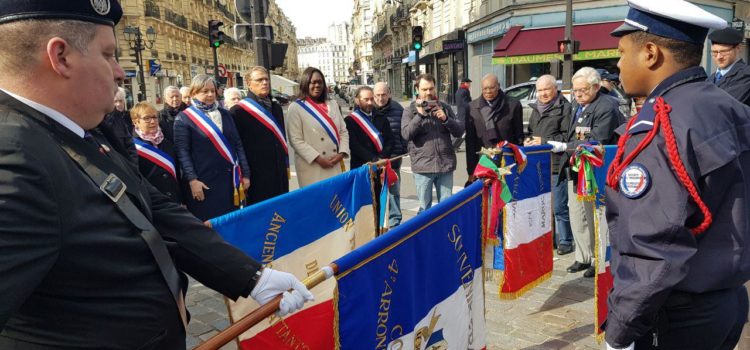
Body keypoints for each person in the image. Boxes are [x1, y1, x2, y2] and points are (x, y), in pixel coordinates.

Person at [0, 2, 311, 349]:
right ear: (61, 57)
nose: (119, 72)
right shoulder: (11, 154)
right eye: (108, 54)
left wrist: (254, 278)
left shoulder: (76, 131)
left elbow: (151, 209)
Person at [603, 1, 750, 348]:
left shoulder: (661, 126)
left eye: (623, 52)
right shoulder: (729, 106)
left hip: (676, 316)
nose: (618, 64)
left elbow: (654, 246)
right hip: (727, 302)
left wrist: (620, 333)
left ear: (651, 53)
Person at [548, 67, 622, 279]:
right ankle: (583, 256)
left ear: (597, 87)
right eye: (575, 90)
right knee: (577, 214)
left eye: (583, 90)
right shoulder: (576, 105)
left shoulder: (606, 107)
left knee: (593, 217)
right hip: (575, 169)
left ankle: (599, 259)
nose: (578, 94)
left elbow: (597, 140)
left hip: (594, 170)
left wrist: (564, 147)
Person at [174, 74, 251, 221]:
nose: (210, 95)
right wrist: (192, 180)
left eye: (212, 90)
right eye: (205, 91)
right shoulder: (183, 118)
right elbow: (182, 153)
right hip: (204, 182)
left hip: (230, 181)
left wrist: (246, 174)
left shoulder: (225, 114)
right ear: (194, 93)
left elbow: (237, 144)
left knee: (231, 223)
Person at [525, 74, 573, 255]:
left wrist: (543, 140)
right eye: (540, 90)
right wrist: (529, 141)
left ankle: (565, 241)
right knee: (543, 206)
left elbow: (567, 138)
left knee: (559, 206)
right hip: (539, 164)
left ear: (555, 89)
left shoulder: (565, 108)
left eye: (547, 89)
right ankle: (549, 240)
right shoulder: (536, 108)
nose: (543, 93)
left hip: (557, 163)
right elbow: (531, 132)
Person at [402, 74, 464, 212]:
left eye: (431, 89)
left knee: (447, 208)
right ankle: (424, 234)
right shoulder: (410, 110)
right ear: (417, 89)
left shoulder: (444, 107)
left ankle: (444, 233)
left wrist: (446, 119)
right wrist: (420, 115)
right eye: (424, 89)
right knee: (425, 209)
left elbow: (459, 132)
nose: (428, 93)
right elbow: (406, 134)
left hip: (445, 165)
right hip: (423, 168)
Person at [230, 66, 289, 204]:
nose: (265, 83)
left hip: (279, 172)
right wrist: (244, 175)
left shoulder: (276, 108)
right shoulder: (238, 111)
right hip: (257, 176)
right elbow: (237, 148)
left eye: (266, 79)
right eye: (259, 80)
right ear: (249, 84)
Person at [287, 67, 350, 187]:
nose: (317, 85)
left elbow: (343, 131)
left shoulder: (333, 104)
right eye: (313, 82)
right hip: (312, 167)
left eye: (320, 82)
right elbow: (295, 140)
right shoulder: (295, 108)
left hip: (334, 163)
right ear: (305, 84)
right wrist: (318, 159)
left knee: (335, 203)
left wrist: (341, 153)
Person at [465, 73, 523, 182]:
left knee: (506, 196)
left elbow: (519, 137)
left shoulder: (513, 105)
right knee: (485, 197)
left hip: (506, 161)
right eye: (485, 88)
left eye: (492, 88)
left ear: (498, 86)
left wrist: (517, 162)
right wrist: (471, 171)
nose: (488, 92)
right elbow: (470, 142)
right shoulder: (472, 107)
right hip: (482, 162)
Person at [131, 102, 181, 203]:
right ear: (136, 121)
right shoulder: (131, 146)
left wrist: (181, 200)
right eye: (147, 118)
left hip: (173, 201)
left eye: (155, 117)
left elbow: (177, 174)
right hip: (152, 203)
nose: (153, 121)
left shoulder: (167, 143)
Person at [374, 82, 405, 227]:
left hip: (393, 159)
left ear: (389, 94)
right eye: (377, 95)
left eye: (383, 94)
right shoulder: (368, 110)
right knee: (374, 194)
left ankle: (395, 223)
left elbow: (403, 133)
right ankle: (376, 223)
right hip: (373, 161)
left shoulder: (398, 109)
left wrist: (402, 150)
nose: (380, 98)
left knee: (394, 192)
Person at [345, 86, 393, 169]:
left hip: (381, 165)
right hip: (361, 166)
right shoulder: (350, 120)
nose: (370, 102)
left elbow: (390, 140)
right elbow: (354, 145)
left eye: (371, 99)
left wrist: (381, 158)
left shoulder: (381, 117)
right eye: (366, 99)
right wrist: (373, 159)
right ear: (357, 100)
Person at [708, 27, 750, 106]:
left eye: (724, 51)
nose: (719, 57)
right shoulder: (711, 78)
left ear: (738, 48)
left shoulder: (746, 76)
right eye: (714, 52)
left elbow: (723, 105)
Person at [98, 86, 137, 165]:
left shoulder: (126, 117)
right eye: (115, 101)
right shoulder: (100, 120)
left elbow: (130, 145)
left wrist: (133, 165)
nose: (118, 104)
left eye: (121, 101)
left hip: (127, 165)